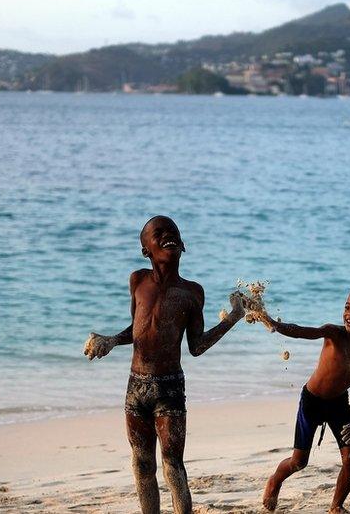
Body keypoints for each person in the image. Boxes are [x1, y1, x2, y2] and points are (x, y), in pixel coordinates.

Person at [83, 215, 245, 514]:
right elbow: (137, 329)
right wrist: (109, 340)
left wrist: (234, 317)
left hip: (169, 389)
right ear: (146, 250)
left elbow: (196, 347)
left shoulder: (192, 292)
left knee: (172, 465)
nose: (168, 235)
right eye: (159, 233)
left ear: (182, 245)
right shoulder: (138, 280)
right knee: (142, 465)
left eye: (173, 232)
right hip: (135, 387)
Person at [258, 286, 350, 514]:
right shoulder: (333, 334)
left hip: (339, 404)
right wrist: (273, 324)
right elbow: (302, 332)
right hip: (312, 401)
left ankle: (336, 506)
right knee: (299, 462)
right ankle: (275, 481)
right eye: (347, 307)